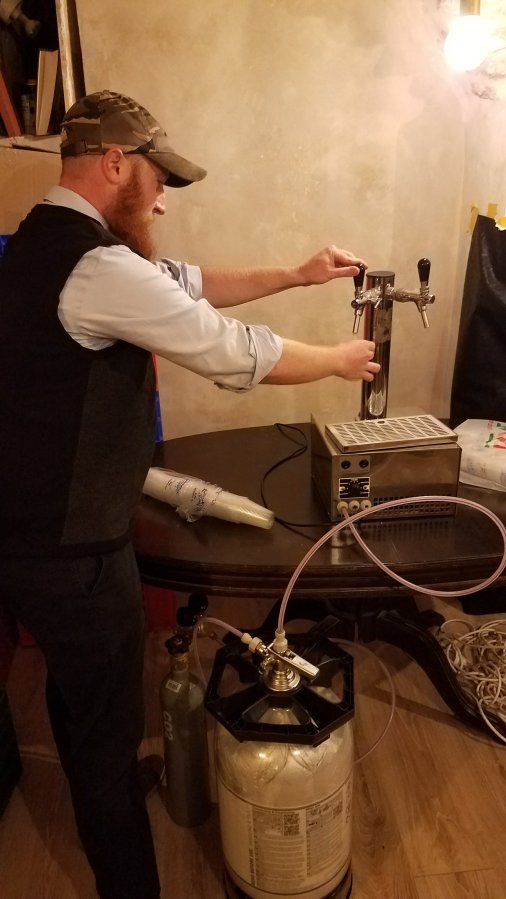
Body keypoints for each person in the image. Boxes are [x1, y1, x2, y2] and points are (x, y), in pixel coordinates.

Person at [0, 90, 379, 899]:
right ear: (114, 163)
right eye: (157, 178)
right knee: (107, 731)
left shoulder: (48, 239)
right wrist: (339, 359)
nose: (164, 199)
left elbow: (193, 284)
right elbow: (230, 350)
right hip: (70, 553)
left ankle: (102, 780)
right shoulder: (97, 266)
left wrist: (298, 273)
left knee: (82, 693)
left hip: (38, 536)